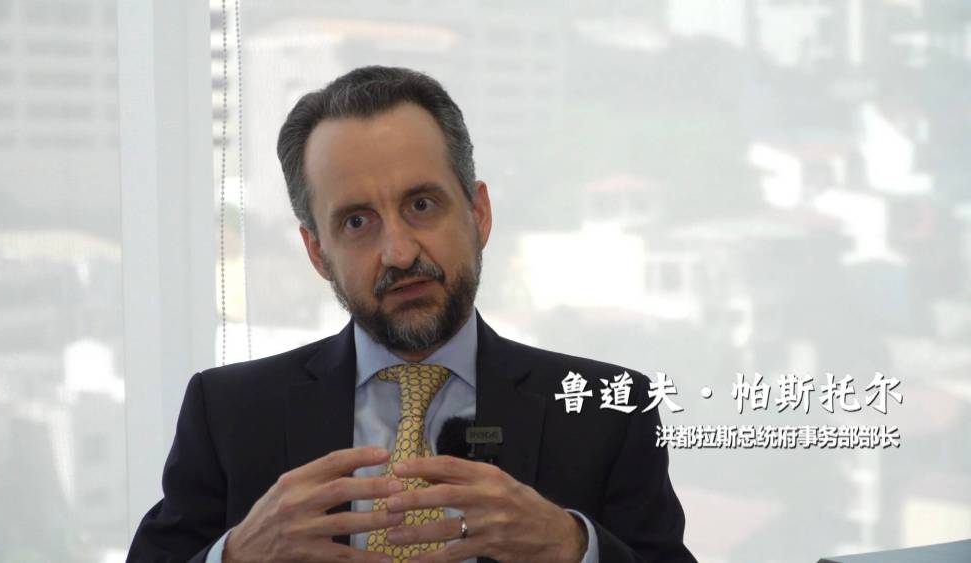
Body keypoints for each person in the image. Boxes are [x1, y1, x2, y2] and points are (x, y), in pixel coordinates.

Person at [127, 66, 696, 563]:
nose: (399, 252)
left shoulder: (606, 412)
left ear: (478, 214)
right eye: (357, 222)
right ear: (317, 252)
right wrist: (237, 554)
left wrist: (573, 547)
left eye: (422, 205)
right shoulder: (229, 414)